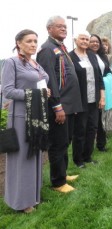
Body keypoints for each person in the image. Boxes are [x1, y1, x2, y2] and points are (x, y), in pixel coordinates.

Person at [1, 29, 50, 213]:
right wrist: (37, 94)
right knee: (22, 158)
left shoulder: (34, 63)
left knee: (34, 156)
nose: (33, 44)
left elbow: (44, 80)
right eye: (29, 41)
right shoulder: (11, 62)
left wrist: (44, 92)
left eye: (35, 41)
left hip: (35, 116)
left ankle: (33, 196)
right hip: (20, 117)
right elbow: (8, 91)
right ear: (18, 43)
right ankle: (20, 201)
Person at [37, 16, 82, 193]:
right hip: (59, 106)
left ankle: (62, 173)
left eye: (65, 26)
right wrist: (57, 106)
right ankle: (58, 182)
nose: (64, 29)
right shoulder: (47, 50)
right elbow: (50, 81)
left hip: (69, 105)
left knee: (65, 141)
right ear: (49, 29)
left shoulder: (60, 47)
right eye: (59, 26)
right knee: (57, 143)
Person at [69, 31, 105, 166]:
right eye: (82, 39)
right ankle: (78, 160)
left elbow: (100, 78)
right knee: (80, 130)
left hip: (94, 100)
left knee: (92, 128)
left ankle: (87, 156)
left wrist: (102, 97)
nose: (84, 41)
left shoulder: (92, 56)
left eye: (86, 39)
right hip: (80, 100)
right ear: (75, 40)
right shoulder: (70, 57)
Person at [89, 34, 112, 152]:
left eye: (97, 42)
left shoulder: (102, 56)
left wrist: (108, 78)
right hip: (92, 90)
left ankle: (101, 144)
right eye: (92, 41)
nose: (95, 44)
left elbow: (108, 70)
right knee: (94, 119)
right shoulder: (87, 56)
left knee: (101, 117)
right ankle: (88, 146)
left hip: (103, 89)